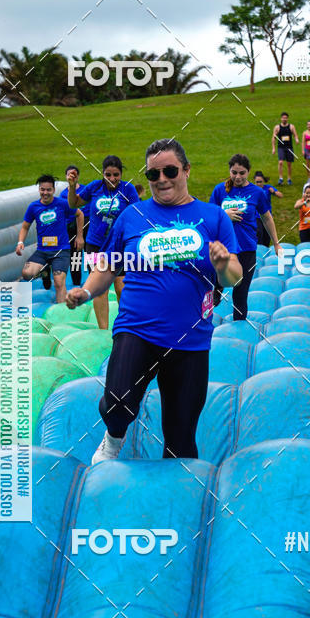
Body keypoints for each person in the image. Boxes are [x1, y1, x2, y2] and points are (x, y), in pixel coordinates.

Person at [65, 138, 242, 464]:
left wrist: (222, 265)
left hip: (190, 340)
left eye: (170, 171)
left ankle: (177, 491)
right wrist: (86, 291)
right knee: (117, 403)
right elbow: (108, 266)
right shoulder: (132, 216)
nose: (162, 179)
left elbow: (234, 277)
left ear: (186, 170)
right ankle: (113, 438)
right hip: (137, 329)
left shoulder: (213, 217)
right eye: (153, 174)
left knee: (181, 437)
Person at [67, 155, 140, 329]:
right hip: (95, 245)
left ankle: (126, 326)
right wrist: (72, 186)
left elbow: (137, 214)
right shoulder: (94, 187)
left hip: (120, 247)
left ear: (121, 174)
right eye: (108, 174)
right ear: (103, 173)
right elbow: (73, 204)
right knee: (100, 289)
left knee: (122, 287)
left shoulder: (128, 189)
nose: (112, 179)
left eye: (116, 175)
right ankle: (103, 331)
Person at [210, 154, 283, 319]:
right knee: (216, 283)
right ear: (229, 171)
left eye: (242, 173)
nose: (237, 177)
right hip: (223, 247)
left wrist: (276, 243)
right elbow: (209, 217)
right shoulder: (219, 190)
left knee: (240, 294)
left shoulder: (257, 192)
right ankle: (215, 294)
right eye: (234, 172)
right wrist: (224, 215)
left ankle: (239, 328)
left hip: (247, 248)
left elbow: (267, 218)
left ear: (248, 172)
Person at [16, 174, 83, 304]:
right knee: (26, 274)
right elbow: (25, 227)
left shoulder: (62, 204)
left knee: (59, 283)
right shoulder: (33, 207)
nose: (45, 193)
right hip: (43, 251)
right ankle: (44, 270)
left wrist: (79, 236)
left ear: (53, 190)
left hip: (61, 250)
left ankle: (60, 311)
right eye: (42, 189)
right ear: (39, 189)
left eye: (48, 190)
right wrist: (20, 242)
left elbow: (79, 214)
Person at [59, 164, 90, 287]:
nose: (71, 177)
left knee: (90, 253)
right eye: (69, 175)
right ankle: (76, 283)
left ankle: (94, 280)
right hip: (72, 227)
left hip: (87, 224)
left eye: (74, 174)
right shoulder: (63, 194)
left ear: (78, 176)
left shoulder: (85, 190)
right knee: (75, 256)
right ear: (66, 176)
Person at [253, 170, 283, 247]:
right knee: (259, 234)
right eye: (257, 182)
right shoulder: (253, 189)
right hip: (257, 216)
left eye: (260, 182)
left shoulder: (268, 188)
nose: (259, 184)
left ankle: (266, 249)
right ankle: (260, 249)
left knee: (267, 236)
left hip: (267, 215)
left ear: (263, 181)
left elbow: (281, 195)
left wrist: (274, 192)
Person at [271, 112, 299, 185]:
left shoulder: (291, 127)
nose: (284, 119)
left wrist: (296, 139)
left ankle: (289, 179)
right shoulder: (277, 127)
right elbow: (273, 138)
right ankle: (281, 178)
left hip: (289, 147)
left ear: (287, 119)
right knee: (280, 162)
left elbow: (295, 135)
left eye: (286, 118)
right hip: (281, 147)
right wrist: (273, 148)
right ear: (281, 118)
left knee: (289, 164)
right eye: (283, 118)